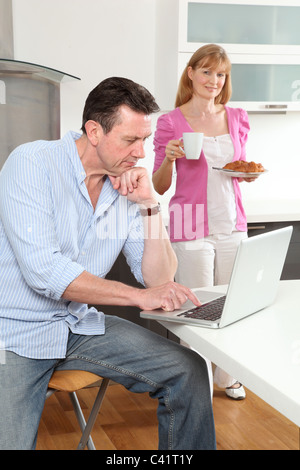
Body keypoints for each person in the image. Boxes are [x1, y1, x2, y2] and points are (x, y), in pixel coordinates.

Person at [0, 77, 216, 450]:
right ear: (94, 131)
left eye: (145, 140)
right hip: (14, 335)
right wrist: (136, 298)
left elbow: (158, 278)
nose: (141, 153)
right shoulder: (33, 163)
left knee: (188, 369)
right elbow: (43, 271)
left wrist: (150, 206)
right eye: (130, 140)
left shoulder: (124, 190)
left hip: (76, 325)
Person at [153, 44, 256, 400]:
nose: (214, 80)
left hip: (232, 222)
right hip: (189, 223)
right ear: (192, 73)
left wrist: (246, 174)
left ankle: (227, 376)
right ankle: (195, 384)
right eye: (207, 72)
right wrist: (168, 158)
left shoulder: (238, 117)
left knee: (232, 302)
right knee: (195, 311)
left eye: (221, 74)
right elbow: (159, 185)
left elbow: (234, 170)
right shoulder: (171, 121)